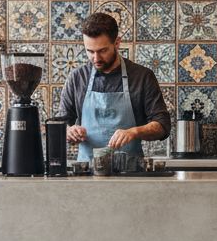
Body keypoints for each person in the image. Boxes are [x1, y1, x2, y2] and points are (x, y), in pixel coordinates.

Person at [57, 12, 172, 161]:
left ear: (117, 43)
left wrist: (134, 132)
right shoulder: (77, 78)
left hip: (130, 173)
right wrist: (68, 131)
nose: (96, 58)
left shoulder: (142, 77)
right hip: (87, 175)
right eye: (90, 51)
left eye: (102, 51)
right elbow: (60, 125)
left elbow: (163, 126)